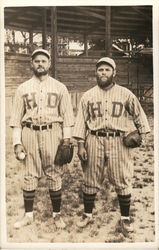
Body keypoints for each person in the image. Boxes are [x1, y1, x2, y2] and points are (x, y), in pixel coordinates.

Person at [73, 57, 150, 233]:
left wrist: (142, 135)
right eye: (100, 70)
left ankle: (125, 218)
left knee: (122, 178)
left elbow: (139, 115)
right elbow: (80, 122)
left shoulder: (125, 94)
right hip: (94, 138)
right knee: (90, 177)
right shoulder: (88, 96)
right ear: (96, 73)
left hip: (119, 141)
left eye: (107, 70)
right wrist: (80, 145)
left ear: (114, 73)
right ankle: (87, 215)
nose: (104, 73)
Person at [9, 48, 74, 229]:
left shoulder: (60, 87)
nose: (40, 64)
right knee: (29, 172)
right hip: (29, 132)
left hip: (53, 132)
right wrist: (16, 142)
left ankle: (57, 215)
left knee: (54, 172)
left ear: (49, 64)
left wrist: (67, 141)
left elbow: (67, 117)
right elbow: (15, 119)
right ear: (32, 64)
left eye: (43, 61)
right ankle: (28, 215)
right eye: (36, 61)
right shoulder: (23, 88)